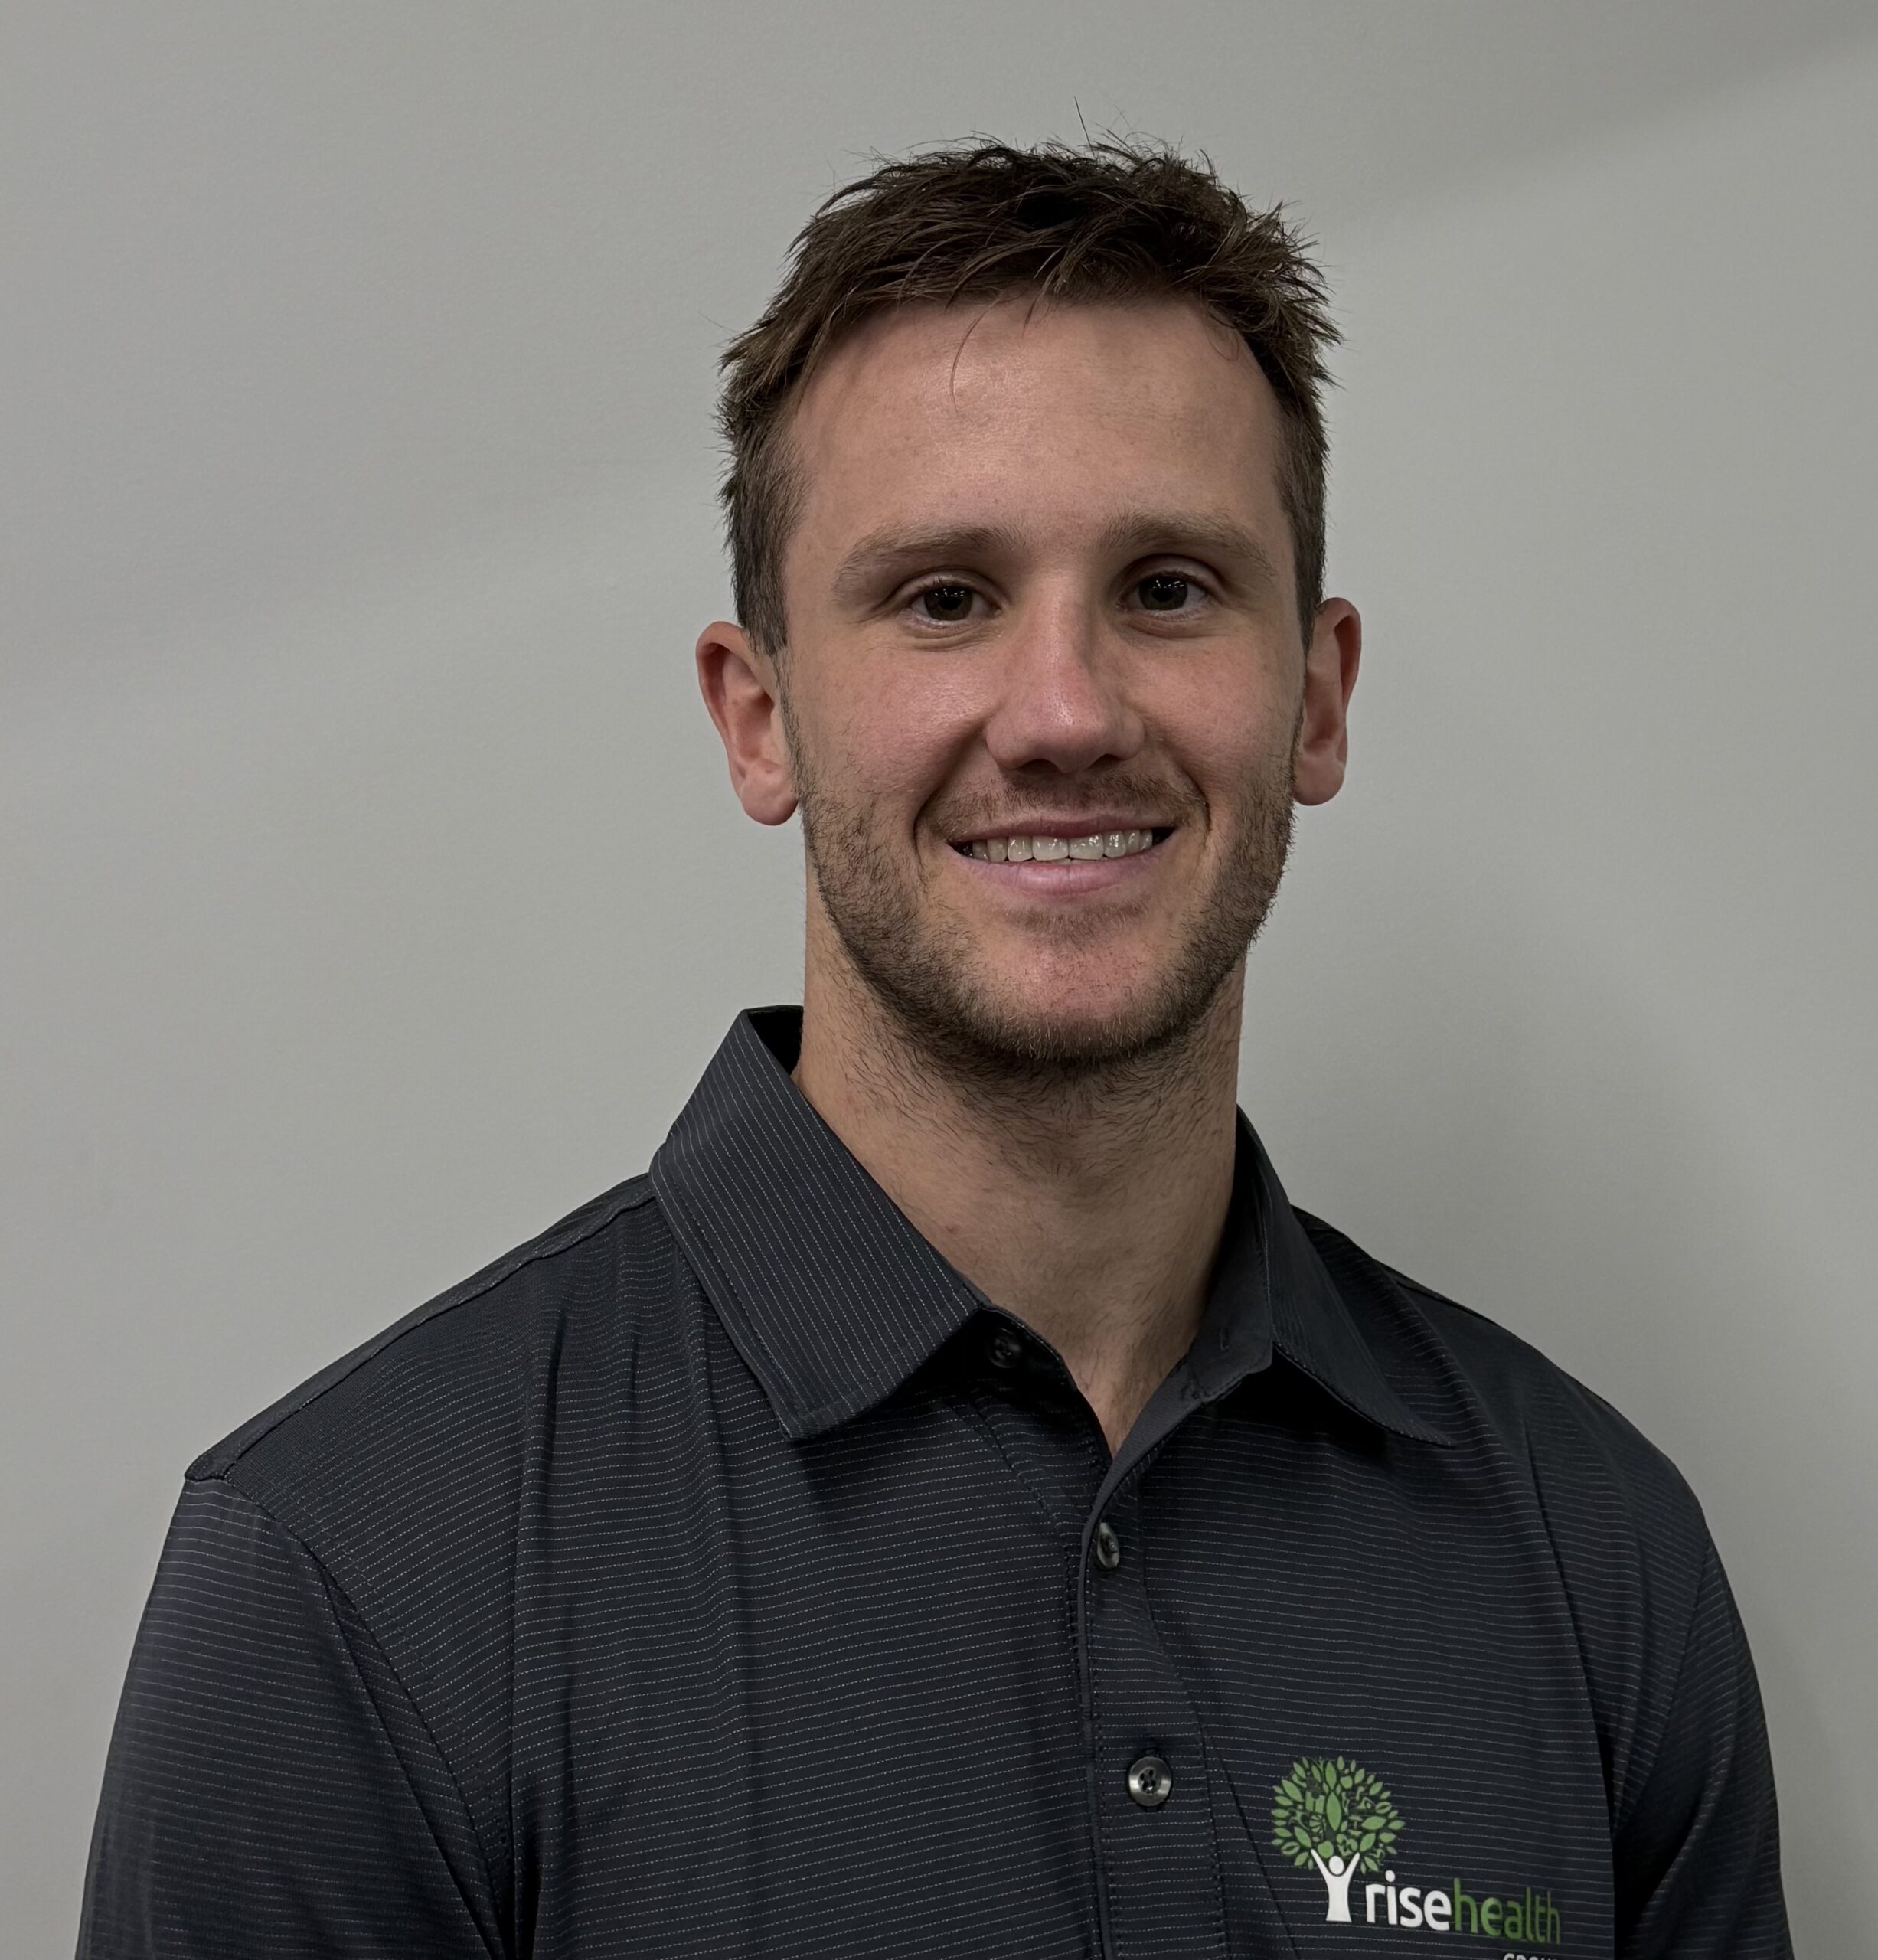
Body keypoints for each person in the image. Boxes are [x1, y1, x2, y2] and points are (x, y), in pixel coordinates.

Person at [78, 138, 1790, 1959]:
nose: (1063, 711)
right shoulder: (357, 1568)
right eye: (944, 597)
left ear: (1316, 694)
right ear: (760, 717)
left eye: (1168, 585)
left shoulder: (1592, 1549)